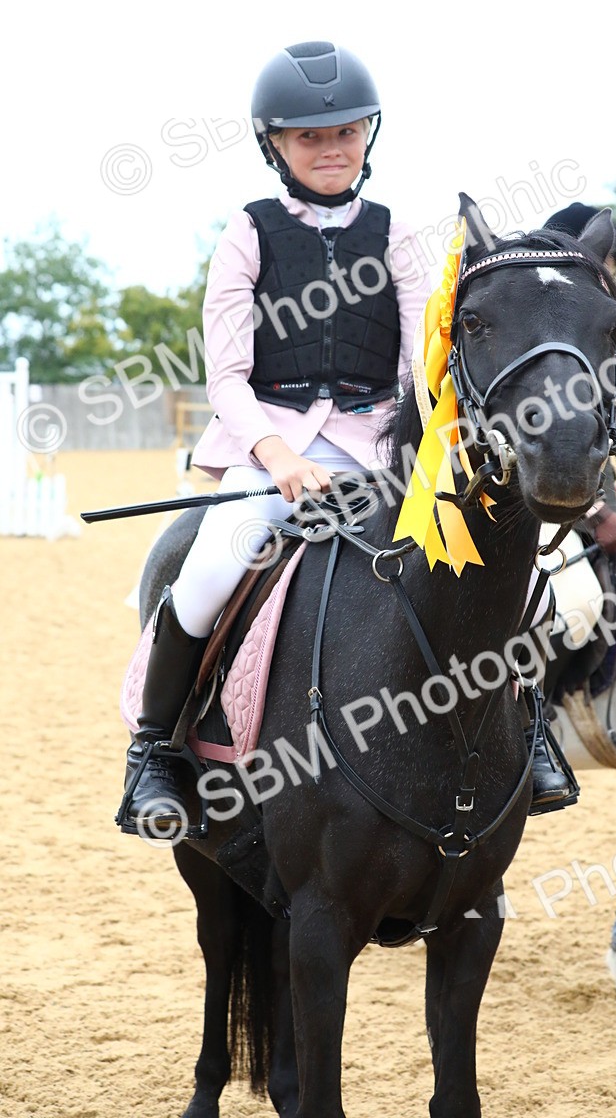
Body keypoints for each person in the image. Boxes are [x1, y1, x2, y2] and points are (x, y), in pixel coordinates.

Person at [120, 41, 431, 836]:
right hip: (269, 448)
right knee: (214, 565)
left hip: (378, 450)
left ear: (370, 136)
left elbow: (418, 368)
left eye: (346, 133)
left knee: (472, 562)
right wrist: (280, 457)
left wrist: (407, 456)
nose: (331, 150)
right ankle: (155, 752)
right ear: (276, 146)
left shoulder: (398, 233)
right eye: (309, 137)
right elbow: (225, 377)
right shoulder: (248, 232)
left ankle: (526, 735)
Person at [544, 202, 616, 553]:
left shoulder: (605, 342)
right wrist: (597, 516)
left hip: (599, 512)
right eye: (609, 261)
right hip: (544, 528)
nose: (614, 275)